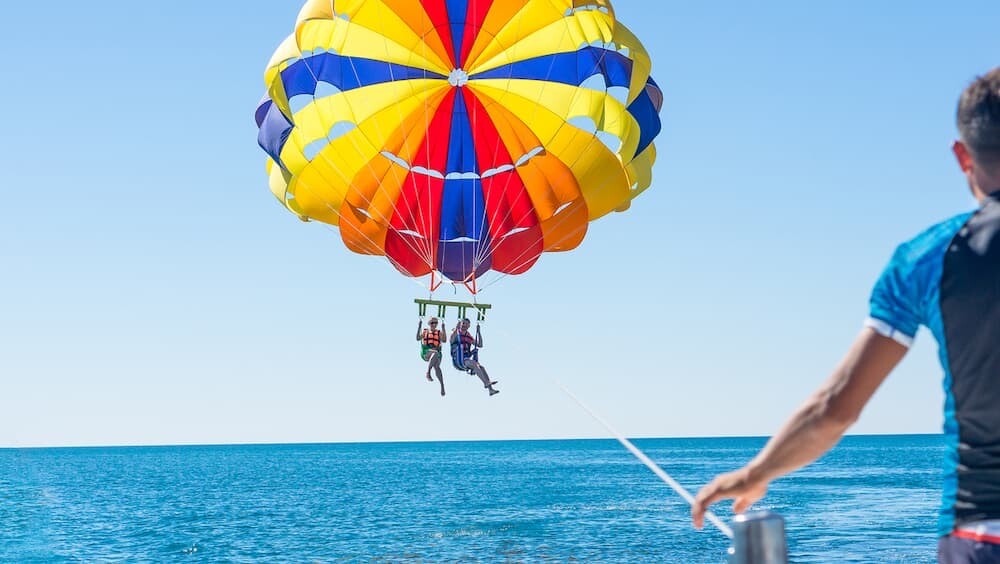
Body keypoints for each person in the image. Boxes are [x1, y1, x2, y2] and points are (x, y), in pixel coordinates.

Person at [691, 68, 1000, 564]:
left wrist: (757, 473)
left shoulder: (927, 258)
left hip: (981, 533)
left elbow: (836, 407)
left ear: (962, 156)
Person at [452, 318, 499, 396]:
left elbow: (480, 345)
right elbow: (451, 339)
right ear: (460, 324)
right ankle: (486, 383)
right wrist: (456, 328)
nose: (464, 325)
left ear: (469, 326)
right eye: (463, 323)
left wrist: (478, 332)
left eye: (466, 324)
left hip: (466, 359)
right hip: (459, 360)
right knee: (474, 364)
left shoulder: (468, 336)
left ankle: (491, 390)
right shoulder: (456, 334)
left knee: (481, 367)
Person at [416, 317, 445, 396]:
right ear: (429, 324)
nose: (434, 324)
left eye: (436, 323)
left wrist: (443, 328)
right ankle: (428, 372)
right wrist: (419, 327)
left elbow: (444, 340)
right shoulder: (425, 332)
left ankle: (442, 386)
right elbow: (418, 338)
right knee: (434, 353)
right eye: (432, 323)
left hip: (436, 352)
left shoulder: (439, 332)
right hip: (426, 352)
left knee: (437, 367)